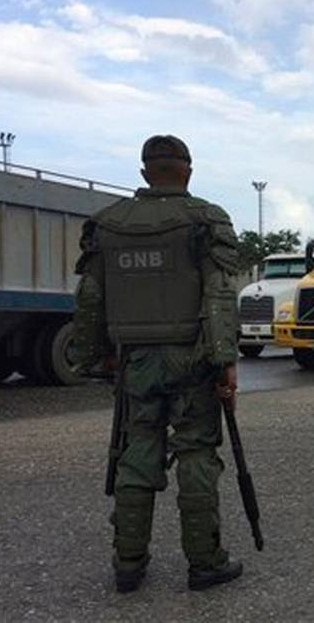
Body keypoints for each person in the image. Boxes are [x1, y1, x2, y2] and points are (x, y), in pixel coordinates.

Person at [72, 135, 243, 593]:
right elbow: (220, 294)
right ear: (188, 170)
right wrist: (225, 360)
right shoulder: (205, 220)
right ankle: (204, 563)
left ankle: (128, 565)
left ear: (145, 172)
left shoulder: (107, 224)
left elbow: (90, 298)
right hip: (192, 357)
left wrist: (93, 357)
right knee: (197, 453)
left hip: (136, 361)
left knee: (137, 453)